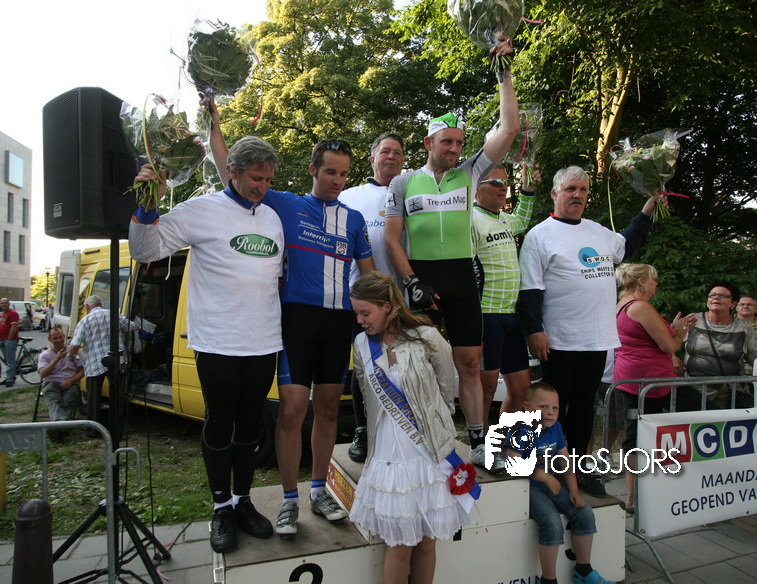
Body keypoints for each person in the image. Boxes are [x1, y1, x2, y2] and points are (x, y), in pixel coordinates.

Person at [205, 104, 375, 537]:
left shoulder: (354, 219)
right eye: (330, 172)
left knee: (328, 409)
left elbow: (371, 278)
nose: (337, 180)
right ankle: (288, 500)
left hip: (337, 324)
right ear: (313, 170)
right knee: (292, 412)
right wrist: (214, 126)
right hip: (296, 320)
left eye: (344, 174)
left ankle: (318, 490)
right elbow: (229, 168)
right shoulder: (285, 203)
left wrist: (389, 318)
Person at [129, 127, 285, 553]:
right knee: (220, 422)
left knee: (250, 425)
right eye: (255, 178)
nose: (262, 187)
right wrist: (147, 205)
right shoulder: (201, 210)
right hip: (217, 341)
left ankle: (243, 501)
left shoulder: (272, 218)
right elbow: (145, 251)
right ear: (232, 171)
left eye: (267, 180)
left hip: (263, 341)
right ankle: (220, 507)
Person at [385, 36, 521, 468]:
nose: (456, 150)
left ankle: (479, 441)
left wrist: (503, 71)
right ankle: (421, 436)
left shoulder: (470, 172)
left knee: (469, 362)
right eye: (447, 143)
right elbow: (392, 239)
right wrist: (411, 282)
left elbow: (509, 129)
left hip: (462, 276)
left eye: (460, 143)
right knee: (418, 363)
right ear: (429, 143)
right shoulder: (403, 183)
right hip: (421, 278)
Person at [516, 165, 665, 497]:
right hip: (558, 339)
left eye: (583, 190)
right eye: (570, 189)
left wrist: (647, 209)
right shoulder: (540, 235)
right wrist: (534, 330)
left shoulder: (598, 232)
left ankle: (579, 471)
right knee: (553, 408)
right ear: (555, 193)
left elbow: (629, 244)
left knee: (585, 407)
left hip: (596, 339)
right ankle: (546, 469)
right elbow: (530, 289)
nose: (577, 195)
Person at [349, 272, 471, 584]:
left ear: (387, 306)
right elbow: (366, 397)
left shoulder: (426, 336)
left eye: (365, 313)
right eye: (357, 313)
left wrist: (438, 423)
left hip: (428, 454)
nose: (360, 320)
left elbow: (447, 389)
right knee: (400, 545)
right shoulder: (361, 344)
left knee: (428, 541)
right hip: (389, 455)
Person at [338, 132, 406, 463]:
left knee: (401, 368)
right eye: (385, 151)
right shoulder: (350, 196)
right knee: (365, 368)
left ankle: (401, 431)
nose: (392, 157)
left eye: (398, 152)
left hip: (403, 300)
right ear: (372, 159)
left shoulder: (411, 192)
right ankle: (363, 429)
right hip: (361, 299)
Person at [614, 263, 700, 512]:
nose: (657, 284)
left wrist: (671, 328)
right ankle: (698, 484)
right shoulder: (641, 306)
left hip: (633, 378)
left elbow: (648, 337)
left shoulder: (622, 304)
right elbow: (668, 346)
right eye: (654, 280)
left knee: (637, 434)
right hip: (653, 380)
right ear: (642, 282)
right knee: (707, 414)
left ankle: (634, 497)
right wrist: (680, 333)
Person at [471, 163, 540, 472]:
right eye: (495, 182)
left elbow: (523, 219)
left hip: (510, 316)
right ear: (477, 187)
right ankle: (481, 448)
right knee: (486, 389)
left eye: (505, 183)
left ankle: (503, 445)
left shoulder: (504, 219)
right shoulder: (470, 220)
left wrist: (527, 189)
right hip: (486, 315)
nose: (503, 187)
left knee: (521, 389)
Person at [507, 382, 609, 584]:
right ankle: (548, 580)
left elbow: (565, 461)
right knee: (551, 521)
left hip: (551, 484)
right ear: (526, 407)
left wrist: (574, 490)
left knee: (584, 512)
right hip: (527, 487)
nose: (550, 412)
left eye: (555, 408)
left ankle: (584, 571)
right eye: (543, 406)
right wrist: (546, 477)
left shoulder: (556, 428)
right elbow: (514, 462)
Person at [674, 280, 757, 408]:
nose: (716, 297)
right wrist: (673, 357)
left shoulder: (744, 327)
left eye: (723, 295)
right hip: (695, 391)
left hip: (731, 394)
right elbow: (670, 344)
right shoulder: (692, 320)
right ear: (707, 302)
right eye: (712, 295)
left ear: (733, 304)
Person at [67, 296, 138, 431]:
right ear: (100, 304)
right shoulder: (114, 316)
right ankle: (116, 428)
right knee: (117, 395)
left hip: (95, 362)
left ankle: (93, 430)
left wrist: (70, 357)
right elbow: (134, 327)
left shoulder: (85, 321)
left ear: (87, 307)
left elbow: (75, 345)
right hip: (117, 360)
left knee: (94, 397)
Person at [38, 326, 85, 430]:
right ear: (49, 339)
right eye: (55, 338)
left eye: (60, 337)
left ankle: (57, 427)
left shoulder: (75, 351)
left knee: (68, 400)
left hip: (71, 382)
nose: (59, 340)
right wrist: (56, 359)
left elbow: (82, 372)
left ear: (64, 336)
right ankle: (63, 426)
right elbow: (42, 374)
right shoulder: (44, 355)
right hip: (52, 382)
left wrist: (70, 381)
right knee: (54, 401)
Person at [0, 297, 20, 387]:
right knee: (7, 360)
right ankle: (10, 376)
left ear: (9, 304)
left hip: (10, 340)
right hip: (2, 339)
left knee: (10, 361)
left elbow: (14, 327)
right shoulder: (3, 313)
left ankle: (10, 379)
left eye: (5, 303)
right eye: (2, 303)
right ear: (0, 305)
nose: (4, 304)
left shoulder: (13, 313)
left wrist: (9, 339)